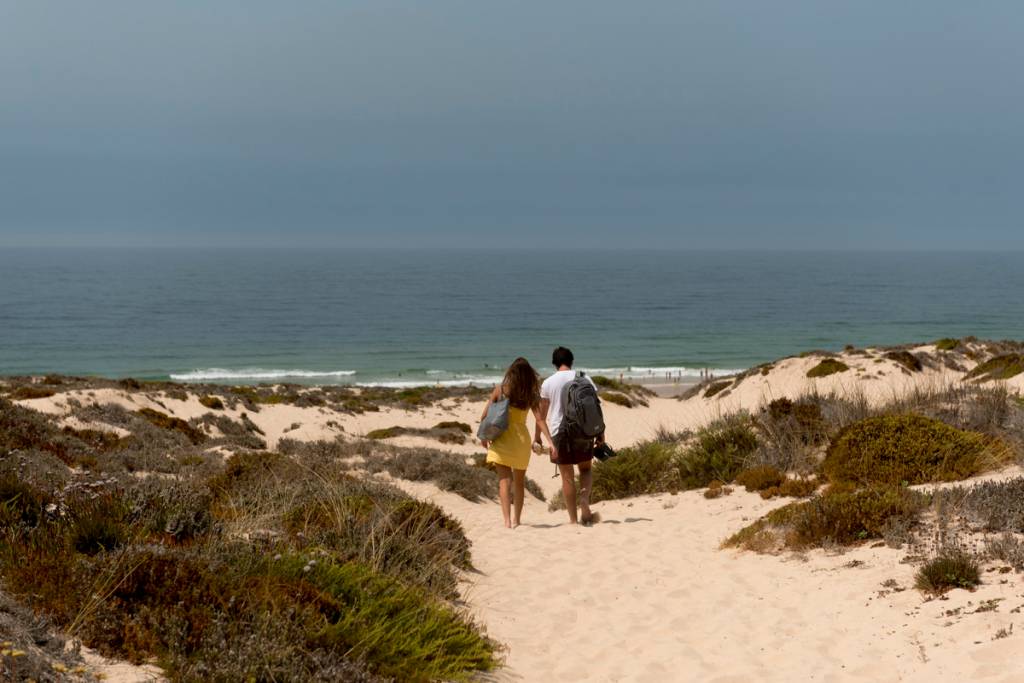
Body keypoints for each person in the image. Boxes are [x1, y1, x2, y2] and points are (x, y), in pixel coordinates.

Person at [480, 357, 556, 528]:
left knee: (504, 481)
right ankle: (518, 520)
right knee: (519, 483)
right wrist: (550, 442)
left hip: (502, 438)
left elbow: (484, 415)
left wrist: (484, 437)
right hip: (521, 440)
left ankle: (507, 522)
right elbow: (540, 420)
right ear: (529, 375)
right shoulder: (530, 395)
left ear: (511, 372)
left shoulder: (500, 390)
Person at [534, 346, 605, 525]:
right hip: (584, 431)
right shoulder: (584, 378)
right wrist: (600, 432)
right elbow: (594, 407)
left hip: (559, 433)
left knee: (567, 476)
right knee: (586, 469)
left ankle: (573, 520)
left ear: (554, 363)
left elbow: (541, 415)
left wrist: (538, 437)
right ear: (571, 361)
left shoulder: (548, 383)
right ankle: (584, 499)